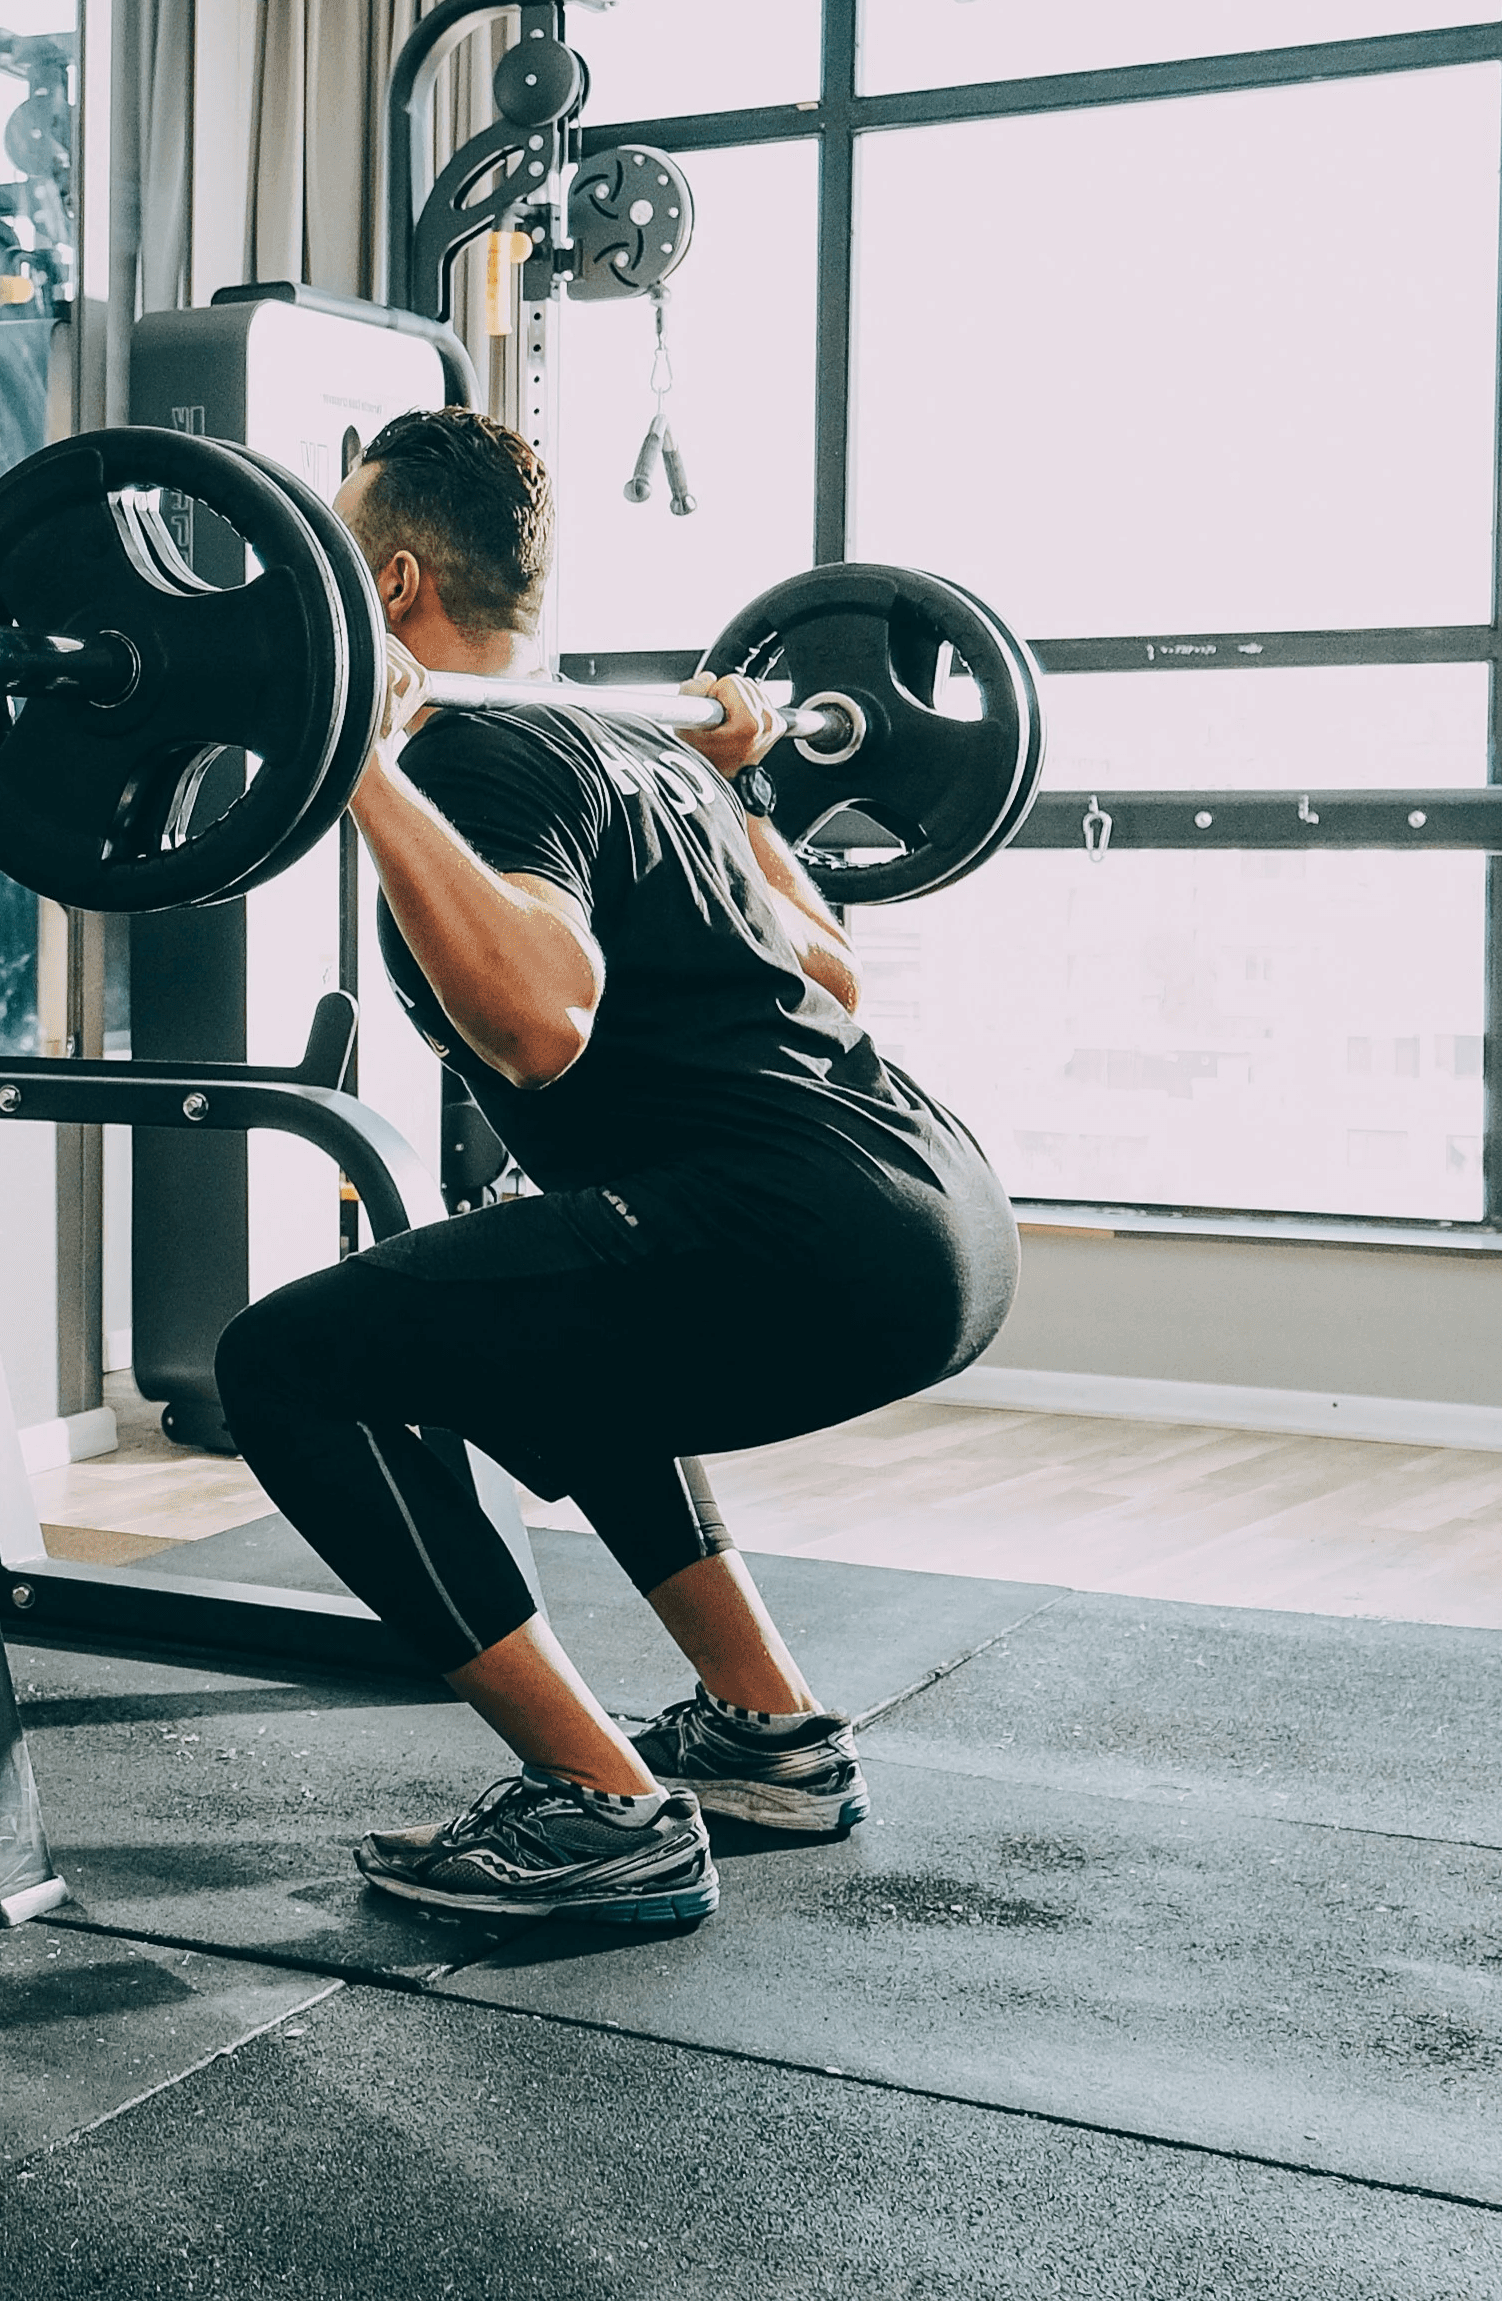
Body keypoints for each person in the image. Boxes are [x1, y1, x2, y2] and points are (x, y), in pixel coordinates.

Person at [214, 406, 1016, 1926]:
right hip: (935, 1210)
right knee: (551, 1293)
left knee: (287, 1365)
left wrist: (364, 764)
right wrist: (752, 783)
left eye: (327, 555)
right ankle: (765, 1731)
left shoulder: (475, 756)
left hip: (808, 1225)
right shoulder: (638, 745)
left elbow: (539, 1023)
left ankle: (603, 1805)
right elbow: (831, 980)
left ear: (385, 592)